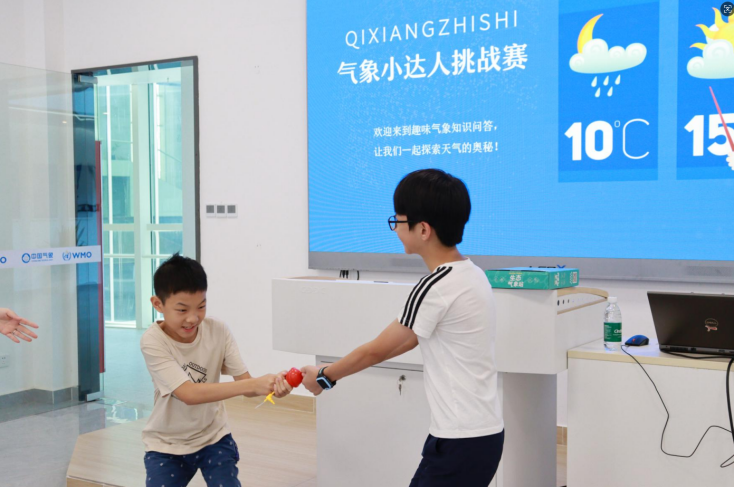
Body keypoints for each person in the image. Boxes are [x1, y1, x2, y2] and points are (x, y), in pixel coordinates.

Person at [301, 169, 504, 487]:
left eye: (398, 220)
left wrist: (324, 376)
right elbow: (406, 341)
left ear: (422, 229)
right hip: (483, 434)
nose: (395, 228)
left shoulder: (435, 286)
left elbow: (376, 350)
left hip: (459, 439)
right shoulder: (473, 274)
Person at [140, 254, 292, 487]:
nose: (193, 318)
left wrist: (271, 386)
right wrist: (254, 384)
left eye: (201, 306)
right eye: (182, 310)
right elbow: (188, 394)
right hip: (166, 444)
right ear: (158, 304)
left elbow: (246, 384)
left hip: (214, 437)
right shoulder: (153, 341)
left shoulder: (218, 330)